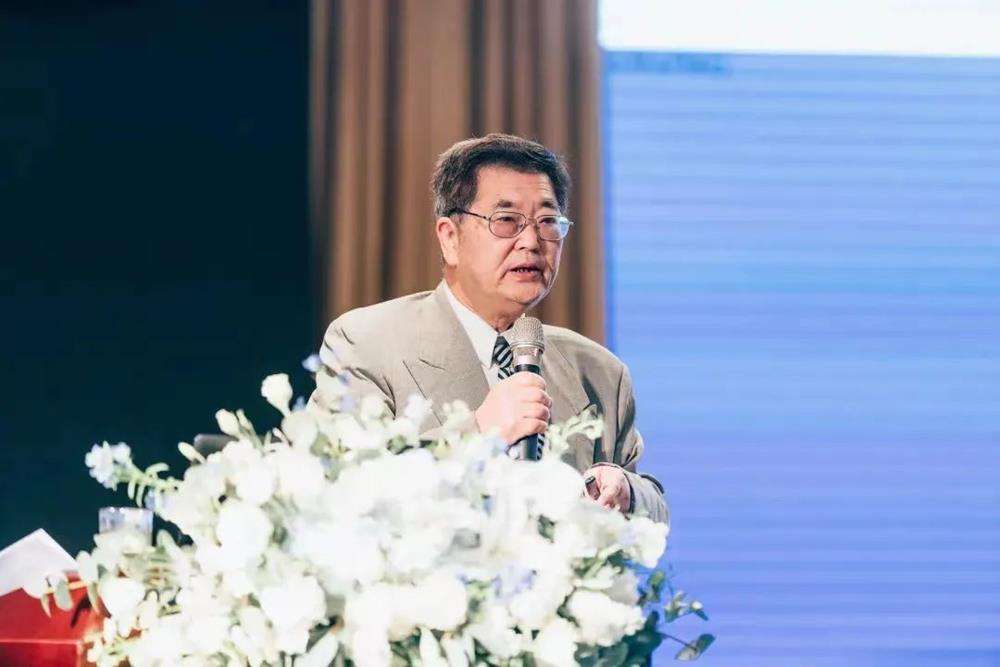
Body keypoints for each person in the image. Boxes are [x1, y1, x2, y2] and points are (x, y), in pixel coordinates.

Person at [309, 133, 667, 523]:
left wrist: (627, 492)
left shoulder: (599, 372)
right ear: (450, 238)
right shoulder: (367, 343)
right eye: (506, 221)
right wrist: (479, 434)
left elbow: (651, 512)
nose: (531, 241)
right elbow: (337, 490)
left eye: (547, 222)